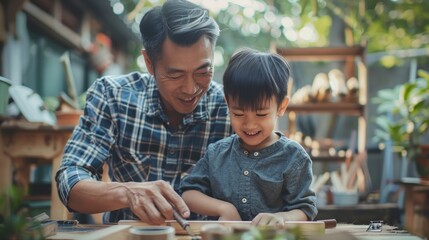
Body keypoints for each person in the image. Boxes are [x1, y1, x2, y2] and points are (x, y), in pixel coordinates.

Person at [55, 0, 232, 224]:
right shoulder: (112, 96)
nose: (190, 89)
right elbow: (69, 182)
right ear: (149, 62)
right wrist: (127, 193)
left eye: (203, 71)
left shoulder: (232, 109)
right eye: (175, 75)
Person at [180, 48, 317, 226]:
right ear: (228, 104)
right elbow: (188, 194)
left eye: (261, 115)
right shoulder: (217, 153)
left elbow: (305, 209)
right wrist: (224, 208)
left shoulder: (293, 157)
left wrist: (282, 218)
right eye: (238, 114)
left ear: (281, 107)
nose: (250, 125)